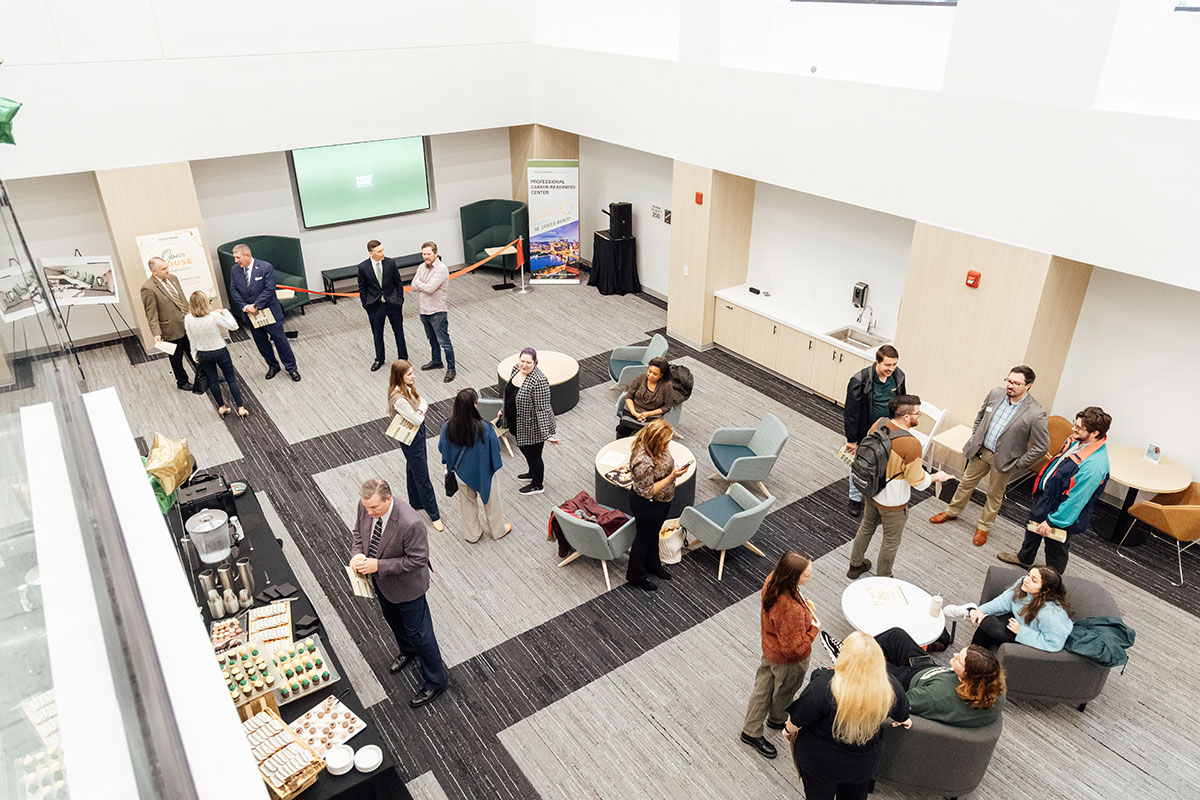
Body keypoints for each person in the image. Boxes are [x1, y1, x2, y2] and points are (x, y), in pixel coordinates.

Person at [349, 478, 447, 707]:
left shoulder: (410, 522)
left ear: (389, 499)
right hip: (382, 583)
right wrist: (357, 555)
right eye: (366, 507)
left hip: (408, 586)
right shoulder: (365, 506)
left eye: (374, 508)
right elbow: (358, 534)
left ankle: (436, 681)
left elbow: (418, 560)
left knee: (420, 635)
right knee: (394, 621)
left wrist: (378, 566)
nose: (369, 511)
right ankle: (407, 651)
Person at [930, 366, 1049, 546]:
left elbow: (1041, 447)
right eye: (1009, 381)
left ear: (1028, 386)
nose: (1011, 386)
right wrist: (975, 437)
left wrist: (1018, 464)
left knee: (994, 495)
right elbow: (980, 418)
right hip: (981, 451)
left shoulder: (1036, 412)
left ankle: (983, 527)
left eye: (1017, 383)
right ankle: (951, 512)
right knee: (965, 484)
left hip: (1005, 461)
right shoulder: (995, 394)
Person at [784, 631, 911, 800]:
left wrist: (787, 730)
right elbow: (903, 716)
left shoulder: (823, 686)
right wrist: (905, 721)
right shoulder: (889, 686)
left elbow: (797, 719)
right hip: (861, 765)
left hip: (820, 764)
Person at [847, 395, 951, 579]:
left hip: (871, 492)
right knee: (890, 541)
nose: (919, 418)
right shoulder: (911, 444)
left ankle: (855, 565)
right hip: (893, 503)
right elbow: (917, 482)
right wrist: (937, 476)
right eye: (917, 414)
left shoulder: (880, 423)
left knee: (866, 527)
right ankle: (884, 577)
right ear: (905, 416)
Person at [998, 406, 1111, 573]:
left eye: (1080, 428)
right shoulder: (1076, 440)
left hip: (1063, 510)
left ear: (1095, 433)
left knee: (1056, 546)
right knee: (1032, 527)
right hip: (1048, 497)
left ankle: (1053, 576)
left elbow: (1076, 500)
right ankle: (1024, 559)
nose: (1074, 429)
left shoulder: (1094, 466)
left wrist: (1053, 521)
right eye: (1075, 424)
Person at [740, 550, 820, 760]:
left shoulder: (773, 580)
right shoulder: (789, 608)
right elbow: (795, 649)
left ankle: (751, 730)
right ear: (792, 576)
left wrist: (804, 606)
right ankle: (776, 719)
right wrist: (813, 628)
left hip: (770, 649)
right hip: (788, 661)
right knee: (785, 690)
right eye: (806, 575)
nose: (810, 577)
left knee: (763, 689)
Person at [872, 627, 1006, 728]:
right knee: (896, 635)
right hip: (927, 668)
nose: (954, 655)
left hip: (908, 682)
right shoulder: (992, 685)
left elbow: (898, 706)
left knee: (867, 665)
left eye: (959, 660)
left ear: (969, 676)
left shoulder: (935, 696)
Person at [438, 388, 511, 543]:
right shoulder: (484, 428)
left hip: (461, 473)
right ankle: (498, 531)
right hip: (484, 472)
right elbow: (495, 449)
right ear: (474, 405)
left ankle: (472, 534)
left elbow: (441, 448)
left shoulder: (447, 426)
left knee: (467, 505)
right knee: (492, 503)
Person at [843, 345, 906, 518]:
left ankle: (875, 494)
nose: (891, 369)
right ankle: (855, 498)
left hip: (888, 431)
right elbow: (851, 412)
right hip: (866, 431)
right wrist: (852, 440)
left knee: (883, 463)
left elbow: (901, 403)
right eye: (888, 365)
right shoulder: (860, 380)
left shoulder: (898, 377)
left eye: (894, 364)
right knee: (861, 464)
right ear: (876, 362)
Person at [626, 419, 688, 592]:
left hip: (663, 500)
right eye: (666, 441)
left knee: (654, 534)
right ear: (656, 441)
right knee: (643, 539)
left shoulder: (658, 449)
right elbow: (648, 491)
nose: (668, 444)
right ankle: (636, 576)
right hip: (647, 504)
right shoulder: (642, 462)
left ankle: (653, 564)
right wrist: (672, 477)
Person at [951, 566, 1073, 653]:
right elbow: (1004, 601)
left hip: (1032, 639)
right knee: (985, 625)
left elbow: (1055, 644)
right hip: (1019, 624)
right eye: (1029, 575)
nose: (1026, 580)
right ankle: (973, 655)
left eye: (1033, 580)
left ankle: (969, 611)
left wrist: (1021, 631)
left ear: (1045, 590)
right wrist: (980, 611)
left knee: (988, 622)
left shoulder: (1051, 614)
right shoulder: (1022, 584)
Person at [228, 243, 300, 381]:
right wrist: (245, 307)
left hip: (269, 312)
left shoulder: (265, 267)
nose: (236, 261)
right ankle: (273, 366)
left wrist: (256, 305)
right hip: (251, 315)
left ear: (247, 255)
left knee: (280, 341)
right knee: (261, 343)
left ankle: (292, 368)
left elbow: (269, 289)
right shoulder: (235, 270)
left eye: (238, 257)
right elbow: (233, 290)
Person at [387, 360, 441, 532]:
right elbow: (418, 415)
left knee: (413, 467)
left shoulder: (406, 388)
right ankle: (434, 515)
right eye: (409, 374)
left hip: (416, 433)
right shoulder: (399, 399)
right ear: (400, 376)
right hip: (411, 436)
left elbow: (422, 402)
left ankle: (416, 502)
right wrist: (420, 410)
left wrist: (420, 409)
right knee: (422, 474)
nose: (413, 376)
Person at [498, 347, 560, 496]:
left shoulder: (539, 381)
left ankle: (538, 484)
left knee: (534, 455)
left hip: (534, 426)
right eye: (522, 361)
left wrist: (546, 434)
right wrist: (503, 409)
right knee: (524, 449)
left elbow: (542, 409)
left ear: (535, 363)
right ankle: (532, 472)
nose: (524, 365)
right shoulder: (515, 369)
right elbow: (510, 394)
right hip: (517, 423)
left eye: (528, 362)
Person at [140, 257, 205, 394]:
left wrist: (192, 315)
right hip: (170, 329)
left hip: (186, 324)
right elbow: (151, 313)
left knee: (195, 351)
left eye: (167, 267)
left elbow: (181, 299)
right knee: (176, 358)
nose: (167, 270)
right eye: (163, 269)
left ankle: (205, 375)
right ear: (154, 272)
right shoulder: (148, 288)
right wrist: (156, 333)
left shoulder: (173, 278)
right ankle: (182, 381)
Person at [184, 291, 247, 418]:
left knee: (213, 381)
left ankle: (222, 407)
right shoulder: (213, 316)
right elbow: (234, 326)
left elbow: (191, 339)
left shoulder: (188, 318)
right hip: (220, 351)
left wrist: (194, 355)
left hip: (203, 353)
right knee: (231, 379)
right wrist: (224, 312)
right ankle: (240, 407)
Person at [358, 239, 407, 372]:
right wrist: (366, 304)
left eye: (382, 249)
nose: (382, 253)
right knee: (377, 334)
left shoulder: (390, 263)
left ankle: (403, 358)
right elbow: (362, 288)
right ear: (370, 253)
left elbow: (398, 283)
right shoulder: (363, 267)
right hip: (375, 305)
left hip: (392, 303)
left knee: (399, 332)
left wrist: (399, 300)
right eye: (379, 251)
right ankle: (379, 358)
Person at [411, 241, 455, 383]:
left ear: (435, 253)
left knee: (444, 341)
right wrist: (422, 284)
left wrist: (420, 283)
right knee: (432, 339)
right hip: (424, 310)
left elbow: (429, 288)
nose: (426, 257)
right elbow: (413, 286)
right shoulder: (421, 267)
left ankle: (451, 368)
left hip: (437, 311)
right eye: (424, 254)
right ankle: (436, 361)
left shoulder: (441, 269)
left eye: (428, 254)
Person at [616, 357, 674, 439]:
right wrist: (634, 413)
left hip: (652, 415)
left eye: (655, 374)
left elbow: (667, 406)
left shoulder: (666, 386)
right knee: (623, 428)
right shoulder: (640, 378)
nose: (650, 375)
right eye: (649, 371)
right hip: (634, 409)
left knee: (651, 435)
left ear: (661, 375)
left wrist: (648, 414)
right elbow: (629, 397)